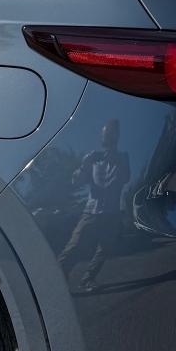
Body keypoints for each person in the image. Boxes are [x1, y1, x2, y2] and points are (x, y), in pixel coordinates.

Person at [59, 119, 131, 291]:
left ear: (116, 136)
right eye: (105, 133)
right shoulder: (92, 160)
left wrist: (115, 160)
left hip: (112, 213)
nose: (107, 136)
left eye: (111, 133)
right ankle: (56, 282)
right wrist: (84, 165)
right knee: (74, 246)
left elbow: (126, 177)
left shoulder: (123, 158)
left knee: (105, 248)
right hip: (91, 211)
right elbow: (76, 182)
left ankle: (87, 279)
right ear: (102, 136)